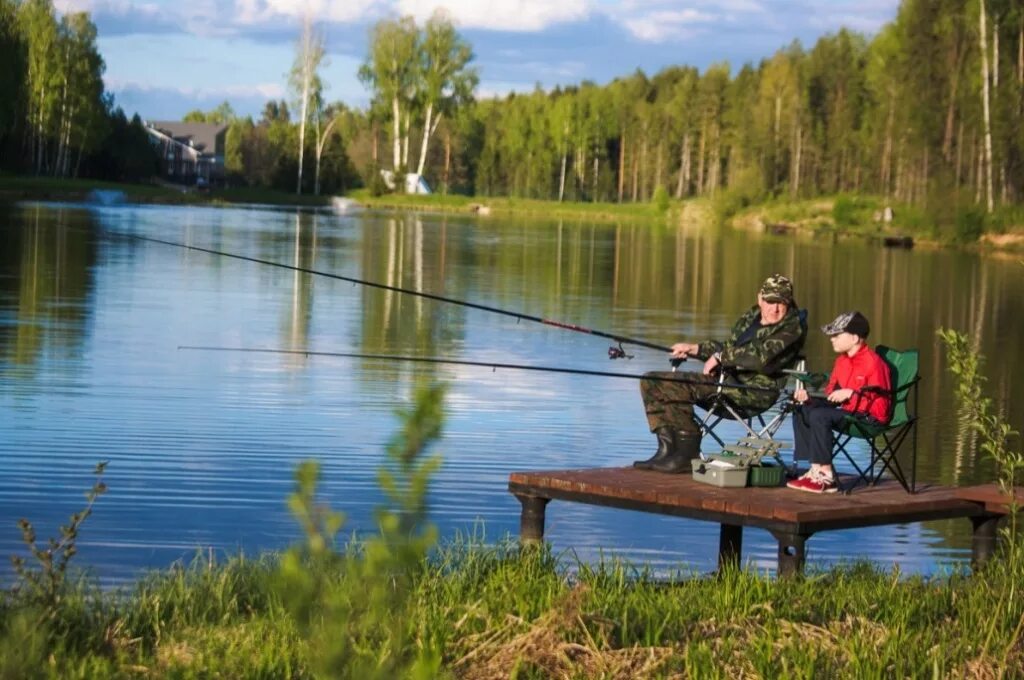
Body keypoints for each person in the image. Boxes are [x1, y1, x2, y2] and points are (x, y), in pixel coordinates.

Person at [634, 274, 807, 473]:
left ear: (789, 302)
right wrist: (694, 348)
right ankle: (667, 450)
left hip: (753, 392)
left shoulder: (792, 327)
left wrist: (720, 358)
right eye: (770, 301)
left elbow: (761, 357)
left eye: (781, 303)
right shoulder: (752, 317)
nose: (775, 309)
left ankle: (687, 454)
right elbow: (729, 347)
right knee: (650, 380)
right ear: (760, 298)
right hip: (726, 381)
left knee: (676, 385)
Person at [786, 311, 892, 494]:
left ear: (855, 338)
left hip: (869, 419)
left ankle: (827, 476)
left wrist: (851, 394)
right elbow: (831, 394)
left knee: (820, 416)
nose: (832, 339)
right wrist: (809, 398)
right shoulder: (842, 361)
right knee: (803, 408)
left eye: (837, 335)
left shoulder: (874, 364)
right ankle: (814, 469)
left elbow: (881, 408)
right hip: (848, 411)